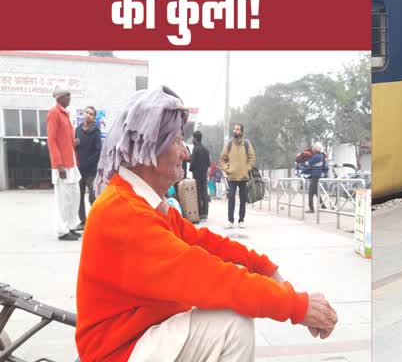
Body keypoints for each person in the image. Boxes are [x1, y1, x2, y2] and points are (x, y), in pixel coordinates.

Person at [76, 87, 337, 362]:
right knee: (232, 327)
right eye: (177, 141)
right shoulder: (125, 212)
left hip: (139, 335)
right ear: (150, 147)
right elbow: (210, 276)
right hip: (118, 352)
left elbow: (206, 244)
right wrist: (297, 307)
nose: (185, 154)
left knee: (226, 312)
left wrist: (263, 268)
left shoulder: (140, 202)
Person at [46, 86, 82, 241]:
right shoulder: (54, 113)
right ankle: (62, 230)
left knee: (74, 195)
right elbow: (52, 140)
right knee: (63, 198)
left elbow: (64, 140)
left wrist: (72, 143)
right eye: (67, 96)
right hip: (62, 165)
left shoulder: (66, 114)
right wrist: (58, 164)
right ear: (59, 98)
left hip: (72, 163)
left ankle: (71, 225)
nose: (69, 98)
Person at [220, 123, 256, 229]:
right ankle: (230, 221)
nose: (235, 131)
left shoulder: (246, 144)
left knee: (243, 199)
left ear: (242, 132)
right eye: (234, 129)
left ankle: (241, 220)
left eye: (238, 129)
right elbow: (222, 159)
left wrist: (247, 169)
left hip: (243, 177)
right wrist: (227, 169)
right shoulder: (229, 144)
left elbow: (252, 158)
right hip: (232, 177)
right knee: (231, 197)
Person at [74, 105, 102, 228]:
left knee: (92, 197)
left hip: (91, 171)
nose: (88, 115)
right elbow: (73, 148)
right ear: (83, 113)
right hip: (78, 170)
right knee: (78, 197)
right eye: (87, 112)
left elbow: (98, 151)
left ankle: (94, 221)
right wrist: (74, 145)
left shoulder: (96, 131)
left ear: (94, 117)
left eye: (91, 114)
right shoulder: (77, 130)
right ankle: (83, 221)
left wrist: (87, 163)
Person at [189, 130, 211, 221]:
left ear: (195, 138)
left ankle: (200, 214)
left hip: (197, 175)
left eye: (193, 138)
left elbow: (193, 162)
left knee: (197, 194)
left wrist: (191, 168)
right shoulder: (206, 150)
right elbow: (208, 163)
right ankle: (205, 214)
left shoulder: (195, 149)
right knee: (204, 194)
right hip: (204, 175)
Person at [303, 142, 327, 214]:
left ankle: (311, 208)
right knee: (316, 191)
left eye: (314, 147)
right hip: (318, 174)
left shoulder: (316, 156)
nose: (312, 148)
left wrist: (305, 162)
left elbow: (309, 164)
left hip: (314, 175)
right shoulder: (321, 156)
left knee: (310, 192)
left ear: (316, 148)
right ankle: (323, 206)